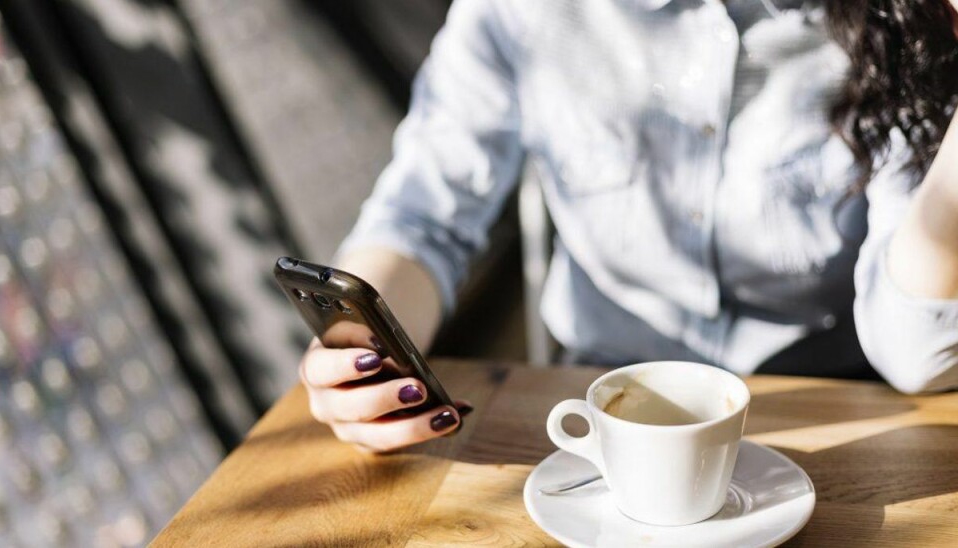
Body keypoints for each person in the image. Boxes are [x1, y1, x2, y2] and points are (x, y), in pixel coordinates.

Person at [299, 0, 958, 452]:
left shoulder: (897, 20)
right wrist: (366, 346)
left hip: (837, 426)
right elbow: (421, 221)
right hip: (591, 420)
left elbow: (916, 352)